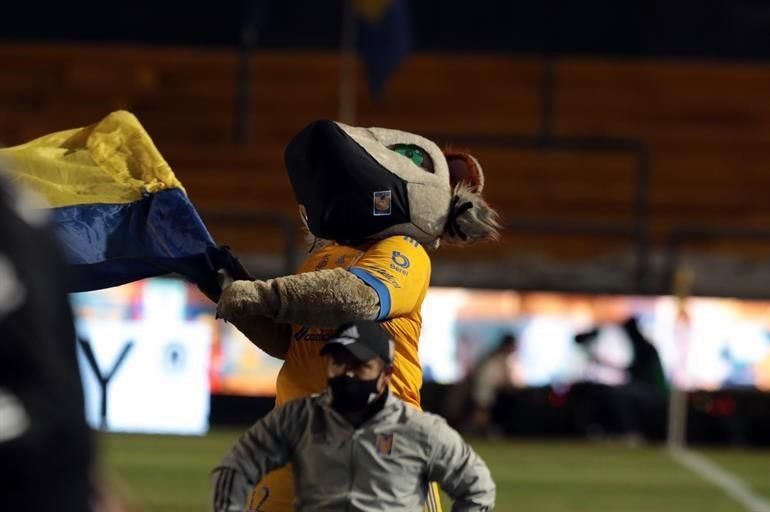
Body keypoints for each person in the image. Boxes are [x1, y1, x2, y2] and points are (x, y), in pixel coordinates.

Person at [211, 320, 496, 512]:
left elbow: (477, 487)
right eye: (339, 362)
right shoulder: (298, 419)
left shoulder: (417, 430)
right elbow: (235, 468)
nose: (347, 373)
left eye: (360, 366)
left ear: (385, 376)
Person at [468, 334, 518, 436]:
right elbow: (504, 378)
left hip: (486, 387)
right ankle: (477, 432)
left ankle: (480, 431)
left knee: (483, 411)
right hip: (484, 386)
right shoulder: (498, 357)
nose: (515, 348)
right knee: (482, 410)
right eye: (513, 345)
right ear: (508, 345)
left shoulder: (498, 356)